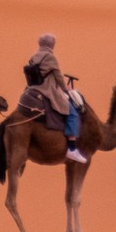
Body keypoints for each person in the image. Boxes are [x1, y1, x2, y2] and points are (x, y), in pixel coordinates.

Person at [28, 33, 85, 164]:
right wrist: (67, 89)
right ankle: (71, 148)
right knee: (72, 114)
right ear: (51, 44)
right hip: (48, 90)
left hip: (33, 89)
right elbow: (59, 77)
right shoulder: (50, 57)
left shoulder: (33, 56)